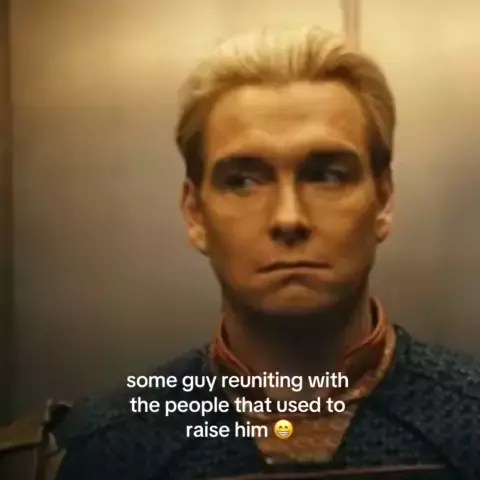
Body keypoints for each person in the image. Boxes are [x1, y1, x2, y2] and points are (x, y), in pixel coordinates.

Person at [25, 26, 480, 479]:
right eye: (243, 181)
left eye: (327, 176)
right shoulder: (102, 449)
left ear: (383, 201)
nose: (288, 218)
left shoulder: (468, 420)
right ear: (195, 213)